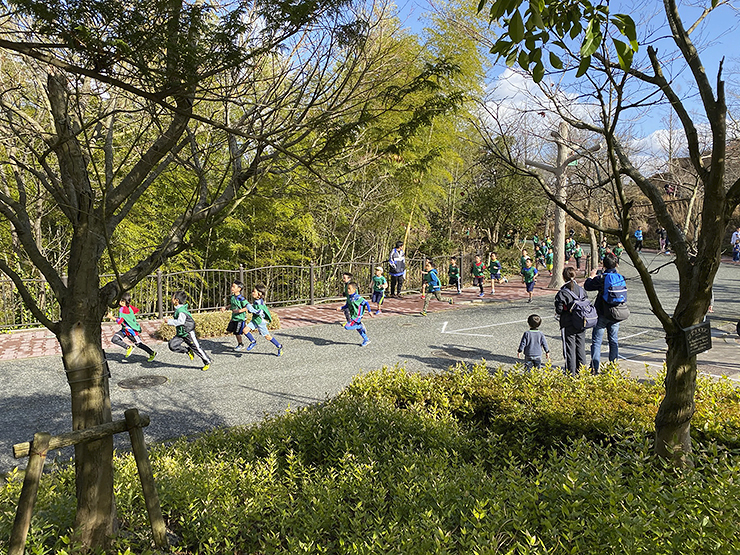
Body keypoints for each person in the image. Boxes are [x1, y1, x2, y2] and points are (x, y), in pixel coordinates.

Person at [584, 252, 629, 373]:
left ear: (603, 264)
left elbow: (587, 286)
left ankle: (594, 368)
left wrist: (591, 276)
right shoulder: (621, 278)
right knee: (613, 340)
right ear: (616, 264)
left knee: (596, 341)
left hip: (602, 313)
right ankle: (613, 367)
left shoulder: (603, 278)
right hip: (616, 313)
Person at [554, 267, 588, 376]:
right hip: (581, 322)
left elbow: (559, 310)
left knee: (569, 350)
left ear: (563, 277)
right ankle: (582, 373)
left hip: (567, 323)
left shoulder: (563, 292)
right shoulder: (581, 290)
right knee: (581, 348)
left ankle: (570, 374)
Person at [167, 291, 211, 371]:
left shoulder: (181, 311)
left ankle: (207, 361)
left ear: (176, 300)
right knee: (172, 345)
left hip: (188, 333)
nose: (171, 299)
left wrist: (169, 321)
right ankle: (187, 350)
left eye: (172, 298)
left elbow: (180, 322)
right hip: (181, 333)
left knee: (197, 348)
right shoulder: (178, 309)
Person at [111, 292, 156, 362]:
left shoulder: (122, 309)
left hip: (131, 331)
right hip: (125, 329)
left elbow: (120, 321)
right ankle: (128, 347)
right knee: (115, 339)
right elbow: (136, 310)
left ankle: (152, 353)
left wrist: (111, 317)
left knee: (139, 344)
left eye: (119, 300)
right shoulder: (130, 307)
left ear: (123, 302)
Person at [243, 284, 283, 356]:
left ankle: (279, 346)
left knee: (267, 337)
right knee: (245, 330)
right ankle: (253, 341)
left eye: (254, 291)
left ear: (259, 293)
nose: (252, 293)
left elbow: (259, 312)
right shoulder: (256, 301)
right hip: (255, 320)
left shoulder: (260, 303)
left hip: (260, 322)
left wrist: (250, 308)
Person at [221, 280, 249, 351]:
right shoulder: (233, 297)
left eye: (234, 286)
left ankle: (241, 344)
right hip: (234, 318)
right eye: (232, 286)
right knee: (230, 330)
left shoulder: (241, 298)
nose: (232, 288)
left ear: (239, 289)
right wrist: (226, 307)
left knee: (237, 332)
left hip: (240, 318)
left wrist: (239, 311)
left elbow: (247, 307)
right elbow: (232, 304)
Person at [341, 281, 372, 346]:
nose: (348, 290)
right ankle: (366, 339)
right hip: (353, 315)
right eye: (347, 289)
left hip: (357, 316)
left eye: (349, 289)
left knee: (347, 326)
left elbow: (366, 302)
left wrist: (369, 311)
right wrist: (341, 308)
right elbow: (347, 305)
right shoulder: (349, 297)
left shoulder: (357, 297)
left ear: (354, 290)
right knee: (358, 330)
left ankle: (360, 325)